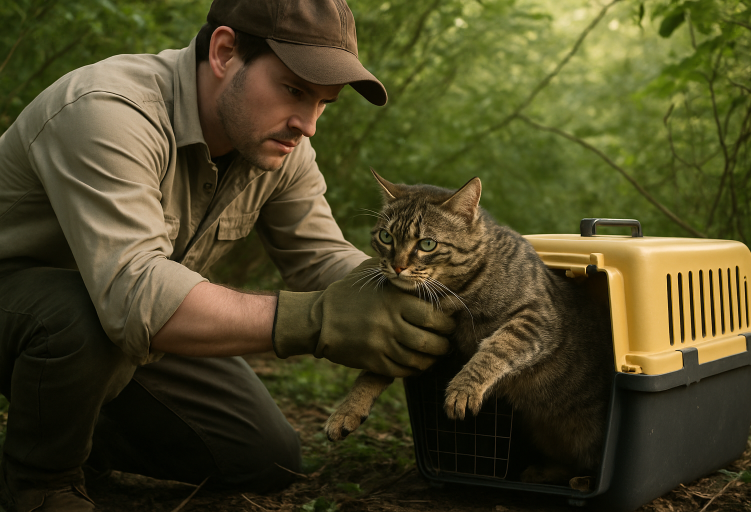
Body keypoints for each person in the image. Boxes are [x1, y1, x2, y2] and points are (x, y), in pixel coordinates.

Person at [0, 0, 455, 510]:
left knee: (264, 456)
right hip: (28, 308)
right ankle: (42, 482)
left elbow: (320, 258)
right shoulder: (107, 109)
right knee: (79, 313)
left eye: (325, 102)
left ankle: (68, 426)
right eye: (294, 90)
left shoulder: (280, 147)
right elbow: (132, 295)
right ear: (223, 52)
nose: (308, 123)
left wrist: (414, 295)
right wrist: (318, 318)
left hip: (120, 336)